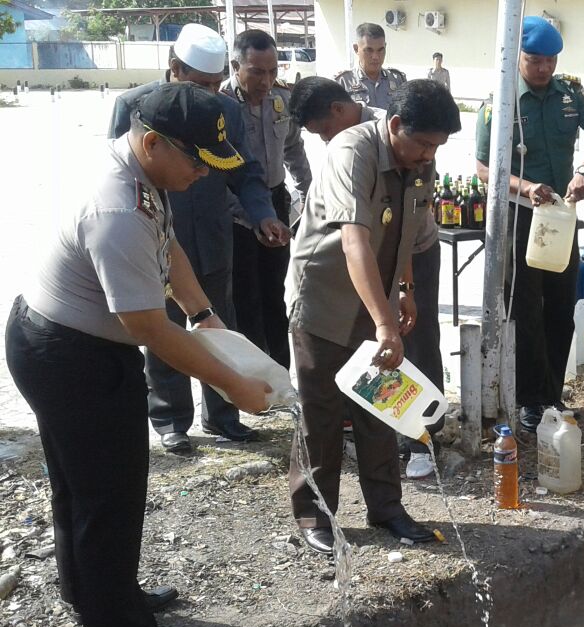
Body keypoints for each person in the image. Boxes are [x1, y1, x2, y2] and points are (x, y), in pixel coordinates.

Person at [6, 83, 271, 627]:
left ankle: (98, 594)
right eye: (198, 161)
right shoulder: (117, 208)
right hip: (70, 355)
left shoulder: (140, 168)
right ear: (153, 141)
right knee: (110, 493)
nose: (205, 174)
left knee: (83, 485)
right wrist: (234, 383)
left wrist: (202, 313)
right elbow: (151, 329)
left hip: (68, 342)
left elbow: (168, 243)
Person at [285, 79, 461, 555]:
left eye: (436, 146)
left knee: (380, 406)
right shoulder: (351, 152)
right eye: (423, 143)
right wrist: (385, 325)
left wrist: (402, 289)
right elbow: (354, 242)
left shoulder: (419, 160)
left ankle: (386, 507)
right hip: (323, 298)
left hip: (376, 297)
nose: (428, 155)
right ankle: (313, 512)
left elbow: (405, 225)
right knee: (321, 414)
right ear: (396, 125)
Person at [108, 24, 289, 456]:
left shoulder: (225, 109)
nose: (209, 93)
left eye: (214, 83)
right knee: (164, 326)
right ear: (174, 69)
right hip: (153, 236)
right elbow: (124, 174)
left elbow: (244, 173)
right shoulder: (134, 106)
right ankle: (172, 420)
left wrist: (263, 215)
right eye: (199, 84)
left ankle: (223, 414)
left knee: (217, 324)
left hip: (212, 235)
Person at [474, 16, 584, 433]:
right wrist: (526, 186)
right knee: (527, 311)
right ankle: (529, 399)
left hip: (561, 215)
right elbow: (481, 168)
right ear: (519, 58)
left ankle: (553, 394)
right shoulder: (501, 100)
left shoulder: (570, 91)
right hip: (521, 215)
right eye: (535, 61)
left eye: (550, 61)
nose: (544, 69)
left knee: (560, 307)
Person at [222, 29, 311, 368]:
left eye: (273, 71)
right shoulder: (222, 105)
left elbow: (293, 148)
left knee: (275, 293)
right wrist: (249, 218)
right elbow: (220, 177)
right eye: (257, 72)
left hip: (276, 203)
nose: (266, 80)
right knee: (245, 296)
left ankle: (279, 373)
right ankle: (254, 375)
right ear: (235, 66)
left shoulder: (281, 100)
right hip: (235, 212)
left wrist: (306, 194)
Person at [334, 23, 407, 111]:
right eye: (369, 50)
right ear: (356, 49)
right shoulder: (343, 82)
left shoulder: (397, 79)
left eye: (380, 50)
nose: (375, 56)